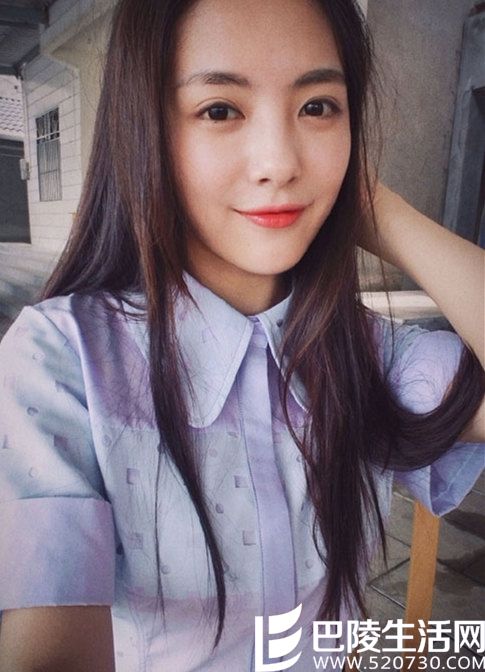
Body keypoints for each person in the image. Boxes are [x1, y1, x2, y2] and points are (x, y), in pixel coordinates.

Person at [0, 0, 483, 670]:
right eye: (220, 109)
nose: (279, 162)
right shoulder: (63, 364)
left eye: (317, 107)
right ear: (146, 129)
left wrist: (382, 210)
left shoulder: (364, 354)